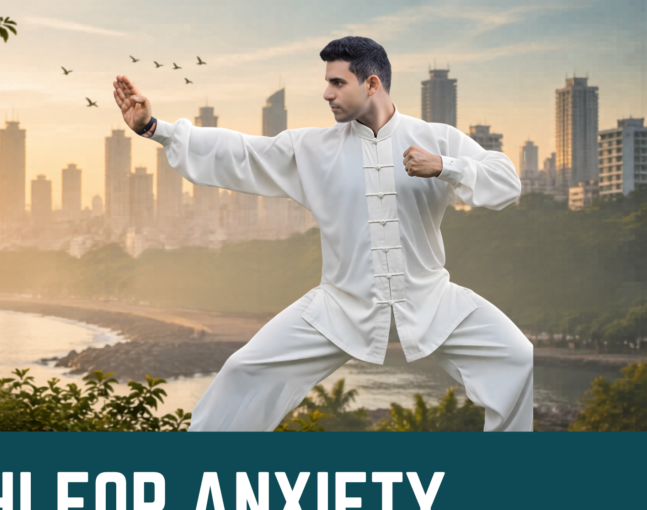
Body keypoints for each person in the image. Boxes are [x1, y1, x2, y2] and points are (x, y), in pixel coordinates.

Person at [112, 36, 533, 432]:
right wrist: (154, 127)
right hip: (339, 305)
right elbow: (240, 151)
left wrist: (444, 165)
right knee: (244, 371)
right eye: (326, 83)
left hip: (431, 299)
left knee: (516, 357)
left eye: (337, 82)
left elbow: (505, 182)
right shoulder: (312, 149)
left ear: (371, 84)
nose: (327, 94)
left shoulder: (436, 139)